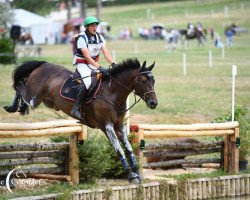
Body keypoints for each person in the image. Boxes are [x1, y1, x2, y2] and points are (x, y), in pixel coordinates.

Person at [71, 16, 116, 119]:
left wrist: (114, 64)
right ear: (87, 27)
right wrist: (99, 67)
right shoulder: (82, 38)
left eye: (95, 25)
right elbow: (87, 57)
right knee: (88, 82)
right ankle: (76, 108)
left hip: (93, 63)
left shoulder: (100, 38)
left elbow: (107, 54)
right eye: (92, 25)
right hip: (82, 63)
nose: (94, 27)